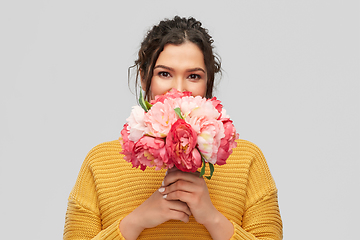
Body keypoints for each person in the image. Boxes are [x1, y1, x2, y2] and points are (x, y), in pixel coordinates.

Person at [63, 16, 283, 240]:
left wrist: (212, 218)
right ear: (144, 78)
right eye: (164, 74)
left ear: (209, 83)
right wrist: (134, 222)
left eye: (194, 76)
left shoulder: (246, 160)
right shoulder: (100, 163)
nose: (178, 89)